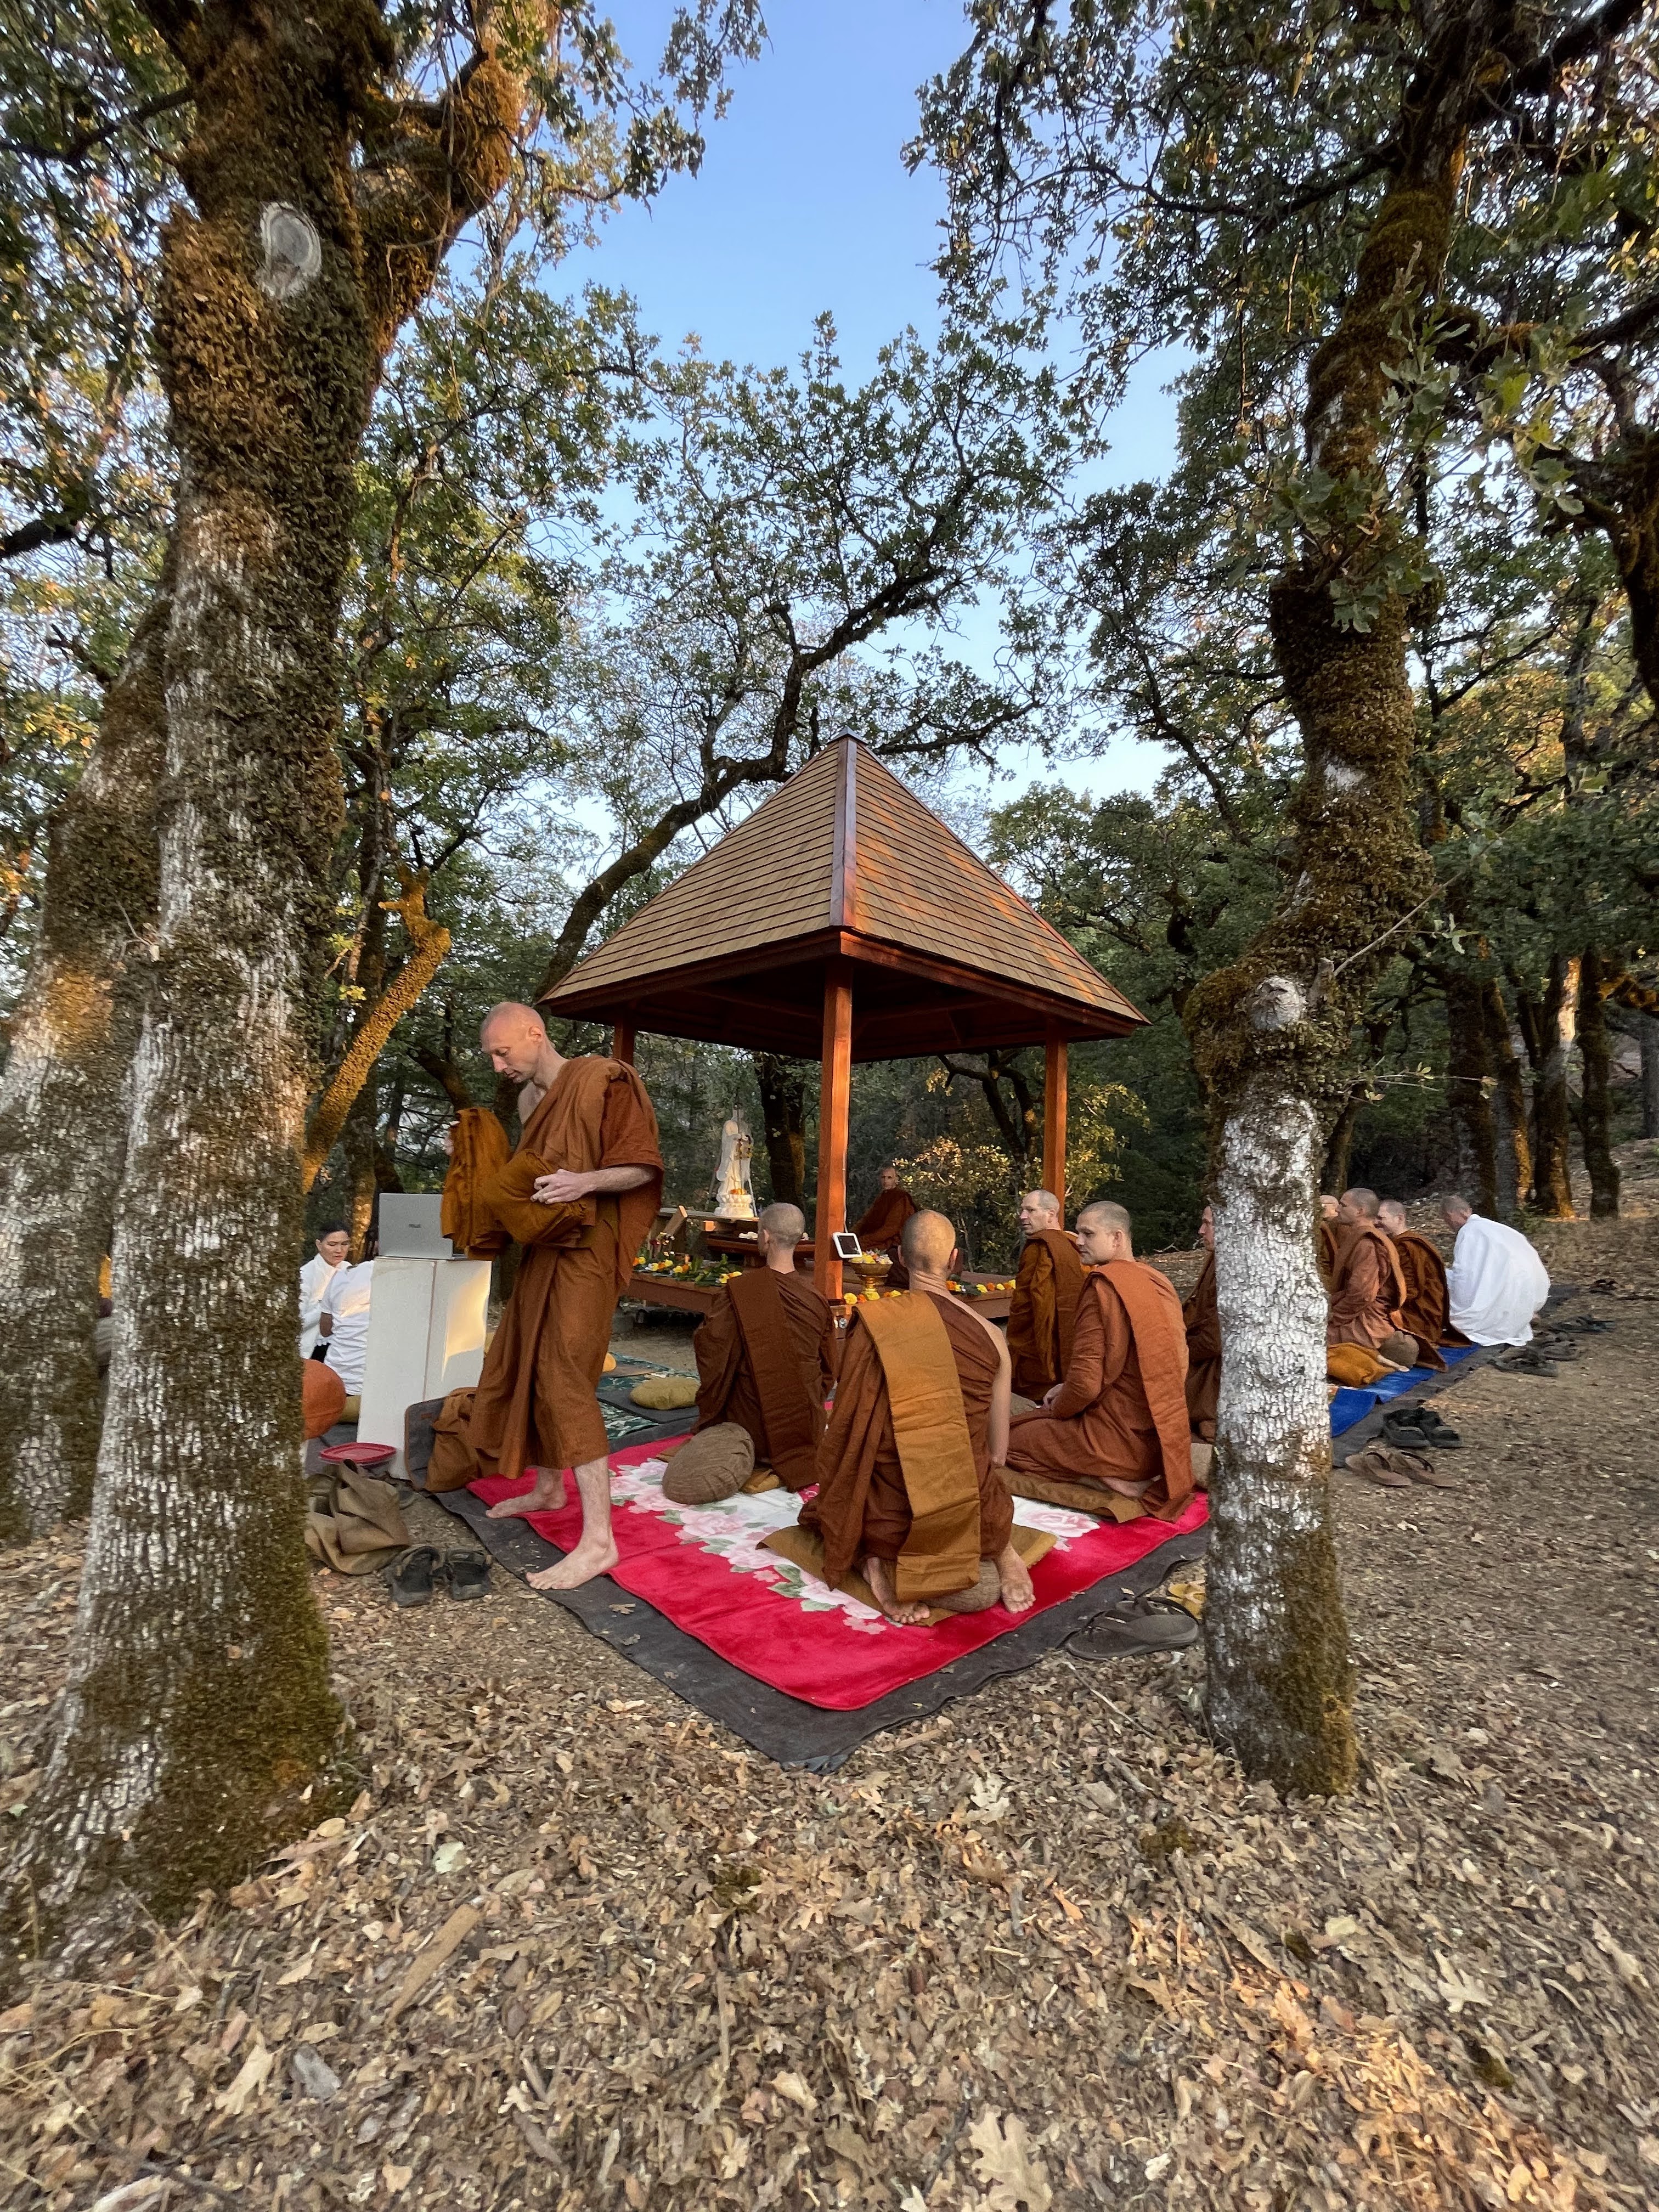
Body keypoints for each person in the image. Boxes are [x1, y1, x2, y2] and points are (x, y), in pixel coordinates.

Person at [464, 1003, 663, 1589]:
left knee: (565, 1375)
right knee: (527, 1358)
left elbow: (642, 1167)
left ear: (536, 1033)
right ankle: (550, 1487)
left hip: (589, 1250)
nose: (498, 1066)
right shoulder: (531, 1102)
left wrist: (586, 1182)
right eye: (492, 1057)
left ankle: (600, 1541)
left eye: (503, 1052)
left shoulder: (603, 1079)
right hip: (545, 1248)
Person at [802, 1208, 1035, 1626]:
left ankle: (873, 1557)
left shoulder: (872, 1326)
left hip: (888, 1512)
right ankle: (1001, 1547)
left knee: (856, 1495)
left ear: (900, 1259)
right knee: (985, 1498)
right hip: (963, 1500)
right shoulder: (990, 1335)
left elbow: (847, 1437)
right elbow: (999, 1455)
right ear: (954, 1260)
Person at [1004, 1200, 1194, 1518]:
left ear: (1117, 1238)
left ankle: (1104, 1478)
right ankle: (1109, 1471)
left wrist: (1058, 1408)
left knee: (1009, 1440)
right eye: (1078, 1232)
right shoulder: (1158, 1281)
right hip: (1160, 1446)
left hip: (1112, 1445)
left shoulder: (1104, 1286)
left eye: (1088, 1234)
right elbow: (1178, 1360)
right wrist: (1069, 1388)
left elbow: (1085, 1386)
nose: (1078, 1241)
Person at [691, 1202, 836, 1487]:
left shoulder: (740, 1292)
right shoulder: (816, 1299)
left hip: (752, 1428)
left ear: (766, 1237)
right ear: (800, 1238)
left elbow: (713, 1353)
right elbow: (829, 1368)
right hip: (804, 1427)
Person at [1006, 1188, 1087, 1402]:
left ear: (1051, 1214)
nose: (1023, 1216)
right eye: (1022, 1210)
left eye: (1031, 1210)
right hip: (1073, 1337)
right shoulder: (1074, 1243)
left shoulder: (1041, 1248)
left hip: (1040, 1345)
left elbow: (1033, 1304)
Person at [1441, 1194, 1550, 1345]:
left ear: (1450, 1215)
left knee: (1440, 1279)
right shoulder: (1498, 1228)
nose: (1449, 1224)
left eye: (1447, 1220)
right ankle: (1521, 1315)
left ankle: (1501, 1316)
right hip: (1528, 1292)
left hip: (1506, 1291)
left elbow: (1466, 1276)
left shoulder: (1469, 1232)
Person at [1327, 1188, 1417, 1367]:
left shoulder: (1367, 1244)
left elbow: (1362, 1295)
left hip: (1363, 1321)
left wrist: (1333, 1318)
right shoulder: (1358, 1237)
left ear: (1360, 1211)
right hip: (1353, 1312)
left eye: (1343, 1205)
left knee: (1309, 1340)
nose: (1337, 1209)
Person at [1377, 1199, 1457, 1368]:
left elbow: (1409, 1291)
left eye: (1381, 1218)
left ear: (1400, 1218)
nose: (1377, 1223)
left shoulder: (1407, 1246)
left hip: (1420, 1313)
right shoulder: (1400, 1243)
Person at [439, 1108, 512, 1258]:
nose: (444, 1142)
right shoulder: (460, 1175)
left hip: (483, 1243)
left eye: (450, 1137)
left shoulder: (479, 1180)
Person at [318, 1234, 376, 1415]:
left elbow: (325, 1330)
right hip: (371, 1391)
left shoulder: (342, 1275)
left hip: (333, 1381)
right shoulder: (402, 1279)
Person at [1182, 1205, 1220, 1440]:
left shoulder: (1235, 1267)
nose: (1201, 1231)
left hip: (1216, 1366)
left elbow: (1215, 1339)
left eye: (1208, 1224)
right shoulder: (1218, 1257)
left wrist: (1180, 1352)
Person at [299, 1224, 349, 1356]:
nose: (339, 1250)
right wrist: (326, 1308)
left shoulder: (350, 1270)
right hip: (311, 1346)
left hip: (343, 1344)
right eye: (332, 1244)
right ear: (319, 1245)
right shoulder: (306, 1274)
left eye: (345, 1244)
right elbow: (298, 1322)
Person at [853, 1164, 918, 1260]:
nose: (885, 1181)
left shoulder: (900, 1198)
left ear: (896, 1180)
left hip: (890, 1241)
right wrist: (852, 1234)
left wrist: (866, 1240)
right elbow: (866, 1219)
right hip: (876, 1237)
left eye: (889, 1178)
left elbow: (891, 1229)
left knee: (859, 1248)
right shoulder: (882, 1197)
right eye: (883, 1177)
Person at [1316, 1193, 1342, 1288]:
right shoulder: (1324, 1225)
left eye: (1322, 1205)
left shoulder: (1339, 1225)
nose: (1319, 1209)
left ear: (1334, 1206)